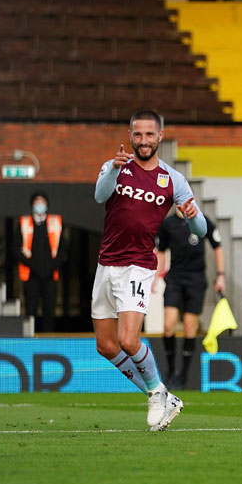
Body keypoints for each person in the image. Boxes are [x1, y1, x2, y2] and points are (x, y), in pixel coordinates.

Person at [94, 109, 207, 431]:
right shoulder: (115, 167)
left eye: (149, 134)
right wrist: (112, 172)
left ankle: (157, 392)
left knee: (129, 340)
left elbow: (201, 229)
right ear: (131, 135)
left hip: (138, 265)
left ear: (160, 136)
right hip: (107, 264)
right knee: (105, 345)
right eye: (138, 134)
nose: (143, 140)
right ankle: (160, 394)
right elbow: (99, 195)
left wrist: (190, 215)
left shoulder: (173, 179)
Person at [155, 207, 225, 389]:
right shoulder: (167, 224)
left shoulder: (201, 220)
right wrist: (155, 276)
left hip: (196, 280)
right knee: (168, 324)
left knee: (189, 326)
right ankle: (170, 371)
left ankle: (183, 376)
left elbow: (217, 246)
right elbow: (160, 251)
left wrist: (221, 275)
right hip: (175, 279)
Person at [15, 190, 67, 333]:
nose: (40, 205)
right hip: (31, 274)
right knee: (30, 308)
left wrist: (52, 266)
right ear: (32, 205)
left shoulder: (56, 222)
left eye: (42, 202)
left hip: (50, 274)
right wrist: (32, 264)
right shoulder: (23, 223)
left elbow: (63, 250)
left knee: (49, 308)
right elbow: (16, 249)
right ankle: (30, 335)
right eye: (37, 202)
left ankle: (48, 336)